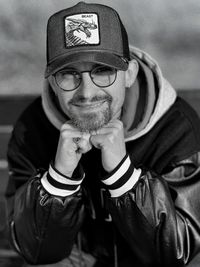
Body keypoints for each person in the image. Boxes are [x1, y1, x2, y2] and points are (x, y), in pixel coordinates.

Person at [5, 1, 200, 267]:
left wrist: (124, 176)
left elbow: (178, 250)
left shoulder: (176, 129)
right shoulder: (33, 129)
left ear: (129, 74)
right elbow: (36, 251)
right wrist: (59, 177)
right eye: (69, 74)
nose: (86, 92)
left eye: (103, 70)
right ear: (52, 82)